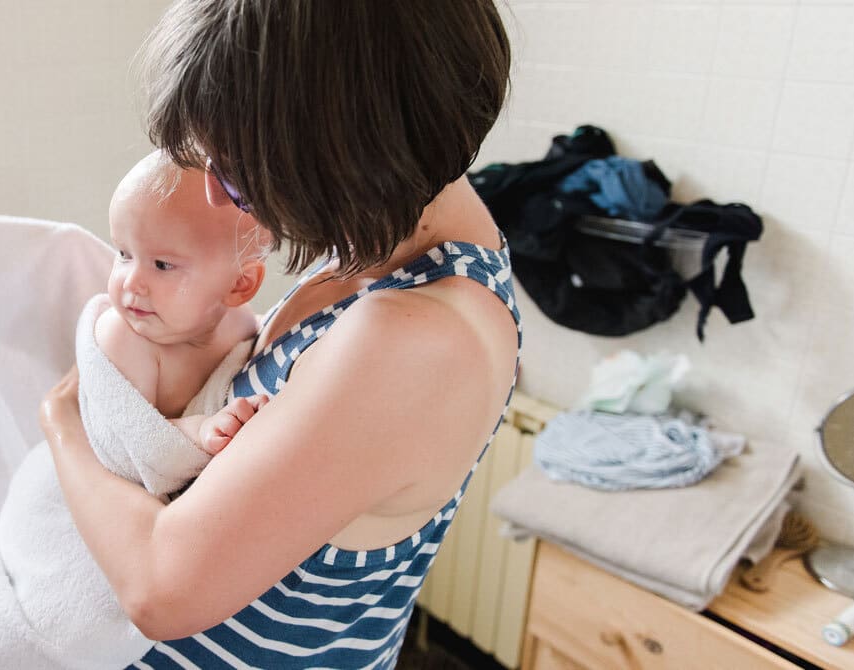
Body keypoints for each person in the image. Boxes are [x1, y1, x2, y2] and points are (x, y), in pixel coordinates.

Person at [37, 2, 518, 667]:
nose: (213, 196)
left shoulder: (414, 338)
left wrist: (61, 421)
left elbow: (160, 592)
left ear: (345, 151)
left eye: (236, 175)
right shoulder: (378, 240)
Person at [0, 151, 272, 669]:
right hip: (60, 501)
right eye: (123, 253)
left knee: (12, 626)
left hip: (99, 494)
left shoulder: (244, 328)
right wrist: (194, 432)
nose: (129, 281)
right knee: (44, 621)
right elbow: (121, 446)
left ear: (239, 286)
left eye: (162, 264)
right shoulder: (124, 336)